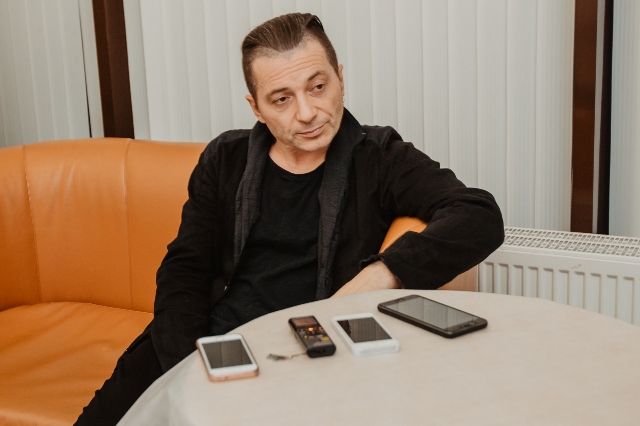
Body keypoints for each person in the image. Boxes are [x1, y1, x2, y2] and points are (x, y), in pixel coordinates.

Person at [75, 13, 504, 425]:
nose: (307, 112)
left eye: (318, 87)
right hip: (202, 343)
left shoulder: (379, 157)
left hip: (301, 356)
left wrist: (381, 274)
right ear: (256, 108)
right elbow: (184, 268)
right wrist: (189, 366)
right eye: (282, 99)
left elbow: (478, 215)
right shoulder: (225, 158)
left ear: (340, 78)